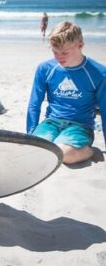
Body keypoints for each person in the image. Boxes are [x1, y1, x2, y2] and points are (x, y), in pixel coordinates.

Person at [26, 21, 105, 164]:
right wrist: (30, 135)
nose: (59, 57)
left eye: (64, 52)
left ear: (80, 45)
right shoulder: (45, 68)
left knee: (63, 154)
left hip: (80, 126)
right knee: (39, 151)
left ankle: (92, 151)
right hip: (51, 123)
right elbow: (34, 103)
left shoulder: (99, 73)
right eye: (55, 52)